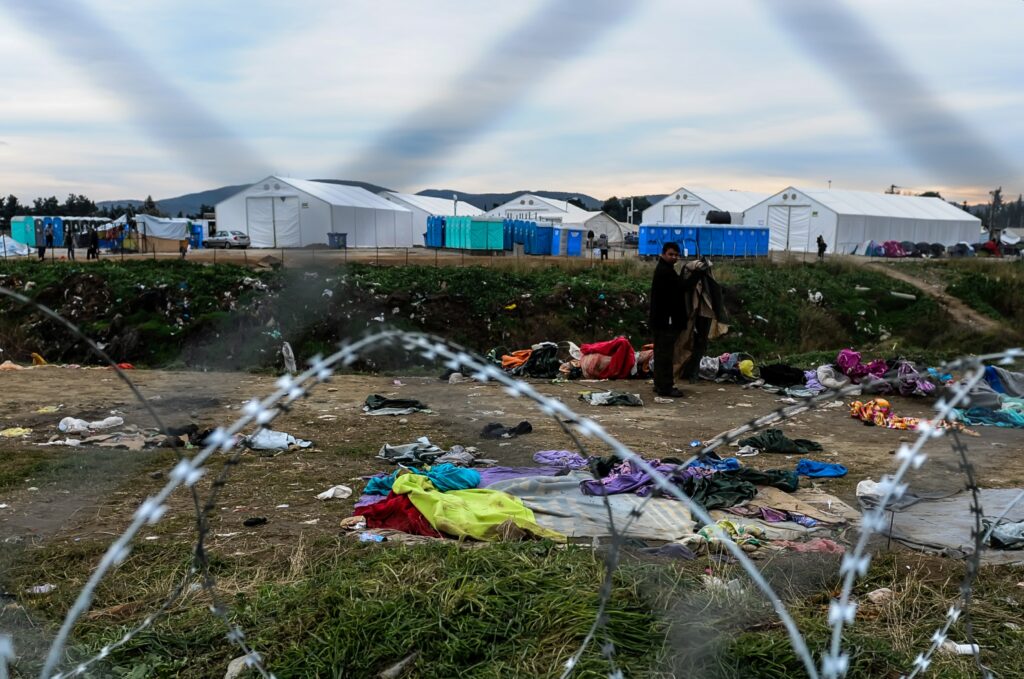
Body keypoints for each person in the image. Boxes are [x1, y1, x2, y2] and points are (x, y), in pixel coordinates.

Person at [649, 241, 686, 397]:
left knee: (660, 352)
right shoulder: (666, 272)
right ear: (663, 254)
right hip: (666, 320)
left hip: (659, 320)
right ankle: (666, 387)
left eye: (676, 255)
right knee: (665, 354)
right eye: (671, 254)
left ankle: (659, 384)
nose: (674, 257)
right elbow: (680, 289)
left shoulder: (664, 269)